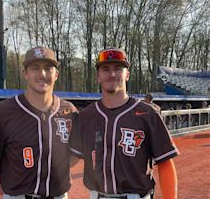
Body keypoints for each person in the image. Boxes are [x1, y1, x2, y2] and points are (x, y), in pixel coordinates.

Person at [69, 48, 179, 199]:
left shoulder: (147, 113)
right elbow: (70, 158)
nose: (112, 74)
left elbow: (165, 162)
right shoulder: (85, 116)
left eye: (118, 68)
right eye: (105, 69)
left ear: (127, 75)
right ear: (98, 76)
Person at [0, 47, 78, 199]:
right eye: (35, 68)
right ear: (25, 73)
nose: (42, 74)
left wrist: (57, 166)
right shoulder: (3, 111)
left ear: (56, 74)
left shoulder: (69, 111)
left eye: (48, 68)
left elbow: (76, 152)